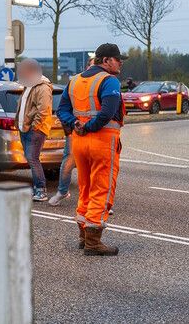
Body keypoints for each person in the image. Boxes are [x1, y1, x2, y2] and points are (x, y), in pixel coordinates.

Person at [57, 43, 127, 256]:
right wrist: (90, 127)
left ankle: (83, 234)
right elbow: (107, 112)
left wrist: (76, 125)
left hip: (79, 142)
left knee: (86, 187)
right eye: (117, 59)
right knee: (102, 188)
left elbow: (62, 109)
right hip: (102, 141)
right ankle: (93, 242)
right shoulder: (109, 81)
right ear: (105, 61)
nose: (120, 63)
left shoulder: (75, 80)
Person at [49, 56, 95, 206]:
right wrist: (72, 125)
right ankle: (62, 191)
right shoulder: (75, 83)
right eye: (93, 65)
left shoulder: (106, 84)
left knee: (95, 166)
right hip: (76, 132)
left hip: (98, 133)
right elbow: (63, 109)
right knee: (69, 161)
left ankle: (96, 200)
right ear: (87, 67)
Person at [14, 59, 53, 201]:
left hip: (35, 129)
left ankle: (41, 190)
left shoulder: (42, 87)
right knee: (31, 159)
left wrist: (35, 126)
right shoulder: (29, 86)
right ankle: (37, 188)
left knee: (33, 158)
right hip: (25, 128)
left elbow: (44, 110)